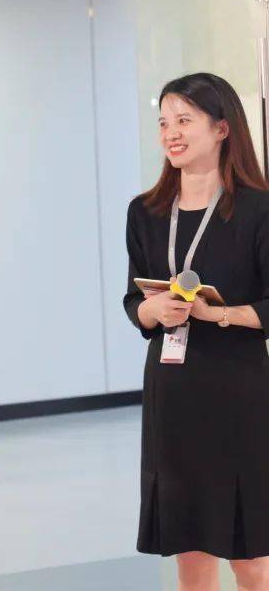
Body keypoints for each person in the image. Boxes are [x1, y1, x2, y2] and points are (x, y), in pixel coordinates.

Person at [124, 72, 269, 591]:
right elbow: (132, 302)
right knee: (188, 549)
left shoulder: (258, 209)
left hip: (239, 391)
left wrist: (218, 315)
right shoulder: (144, 212)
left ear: (222, 128)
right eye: (164, 122)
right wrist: (152, 310)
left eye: (184, 120)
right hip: (173, 392)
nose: (171, 133)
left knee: (250, 556)